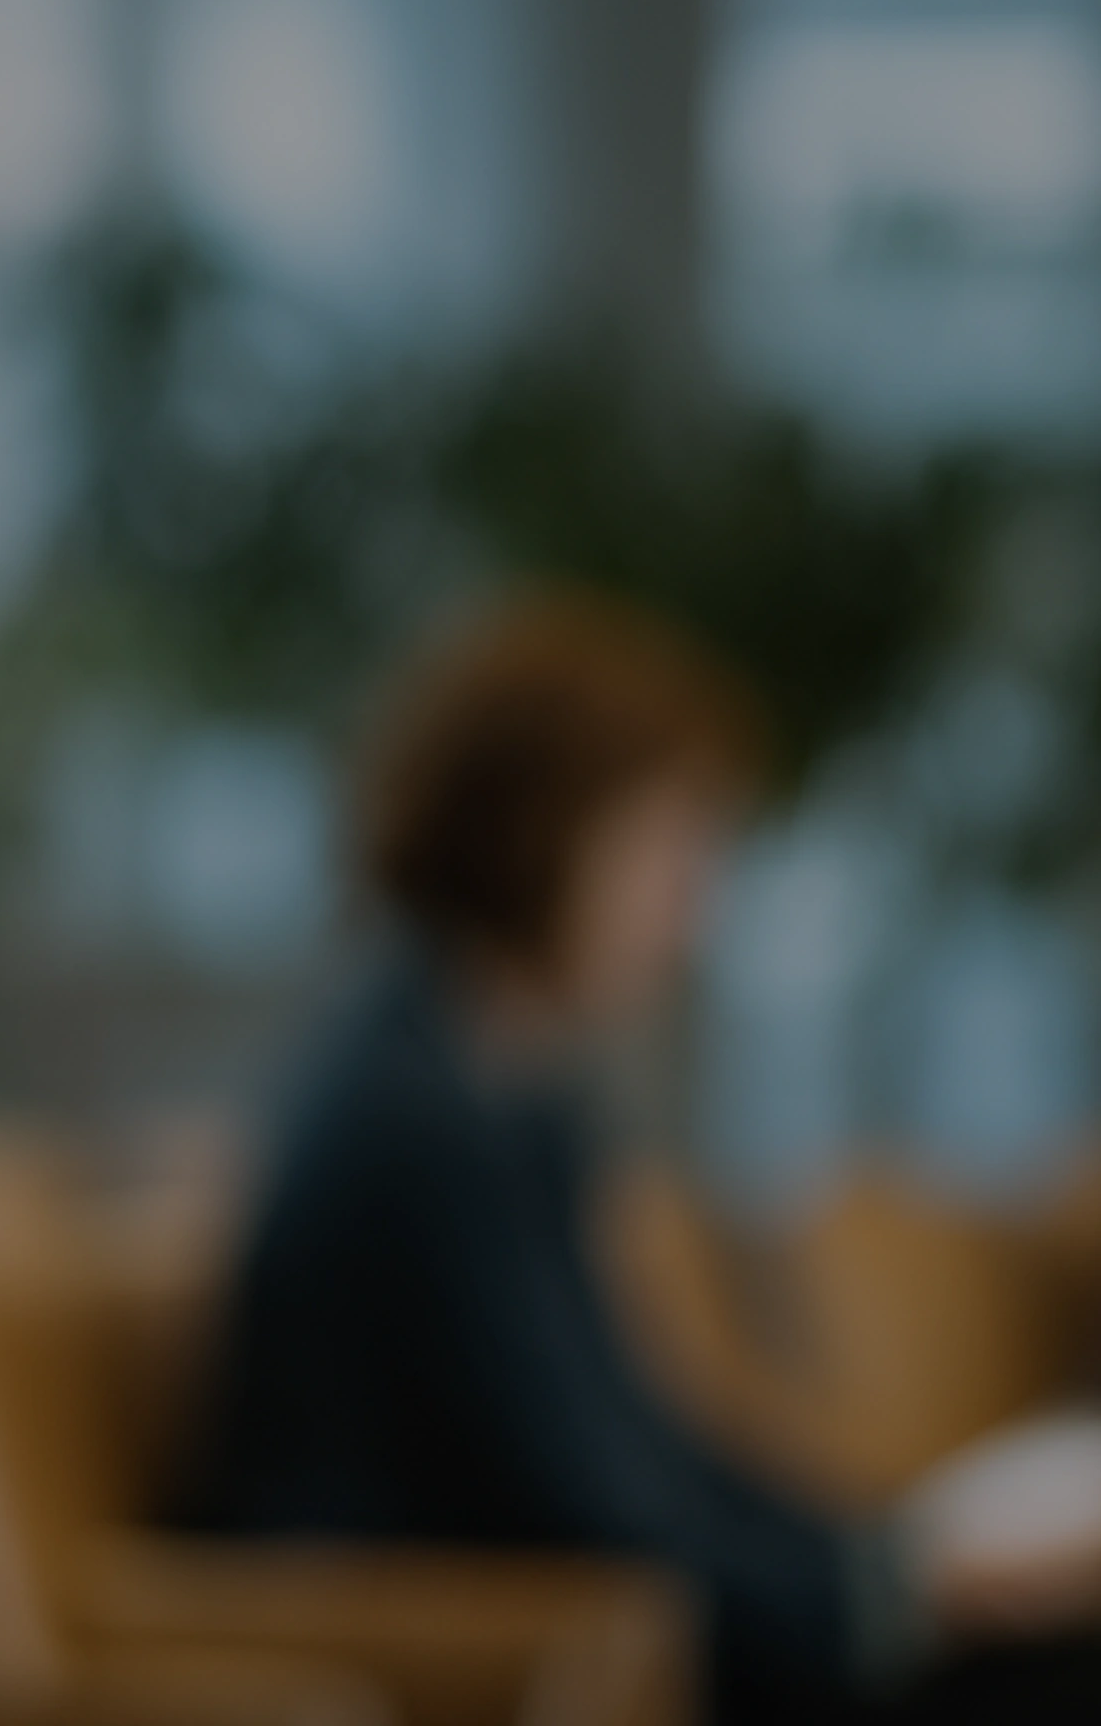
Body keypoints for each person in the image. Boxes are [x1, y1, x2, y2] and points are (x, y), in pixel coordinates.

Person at [163, 590, 885, 1723]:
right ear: (544, 828)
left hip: (543, 1625)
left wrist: (887, 1562)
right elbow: (575, 1500)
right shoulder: (415, 1121)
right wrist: (883, 1600)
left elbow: (641, 1450)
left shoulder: (496, 1089)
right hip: (440, 1658)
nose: (689, 912)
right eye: (667, 848)